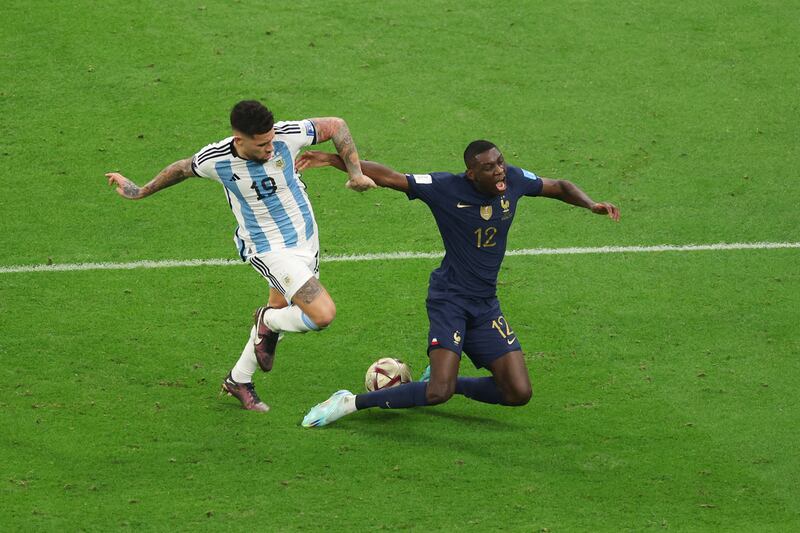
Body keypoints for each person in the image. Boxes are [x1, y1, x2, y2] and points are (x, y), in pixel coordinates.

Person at [295, 140, 619, 427]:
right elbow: (392, 177)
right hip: (449, 299)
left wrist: (590, 204)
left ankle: (445, 379)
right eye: (489, 168)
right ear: (471, 174)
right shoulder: (445, 188)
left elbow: (560, 185)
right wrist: (337, 161)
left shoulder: (515, 180)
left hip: (485, 304)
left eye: (501, 163)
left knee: (518, 392)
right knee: (438, 393)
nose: (499, 172)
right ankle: (348, 402)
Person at [106, 100, 375, 412]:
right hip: (269, 249)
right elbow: (180, 169)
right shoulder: (216, 159)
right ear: (239, 141)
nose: (271, 148)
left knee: (281, 305)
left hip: (306, 240)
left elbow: (337, 124)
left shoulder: (287, 135)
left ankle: (238, 380)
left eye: (271, 140)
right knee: (322, 314)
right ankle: (268, 322)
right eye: (262, 144)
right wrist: (139, 191)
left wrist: (355, 173)